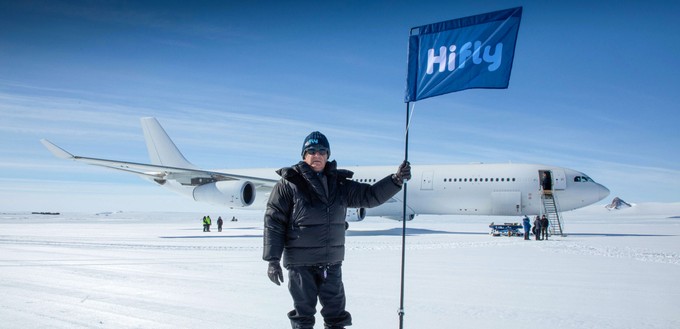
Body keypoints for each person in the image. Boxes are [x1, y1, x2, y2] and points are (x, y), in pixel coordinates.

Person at [263, 131, 411, 329]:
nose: (317, 155)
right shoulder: (288, 184)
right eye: (312, 151)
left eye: (322, 151)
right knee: (303, 316)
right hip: (300, 265)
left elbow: (370, 196)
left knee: (336, 316)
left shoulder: (339, 184)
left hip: (330, 264)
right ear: (304, 155)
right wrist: (272, 260)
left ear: (327, 155)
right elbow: (274, 222)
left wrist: (395, 180)